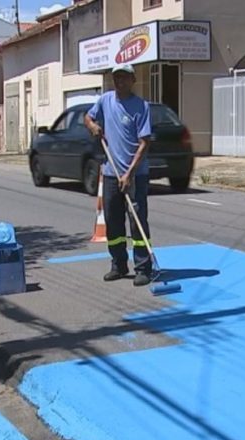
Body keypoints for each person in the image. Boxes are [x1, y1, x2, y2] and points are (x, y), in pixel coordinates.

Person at [84, 62, 153, 287]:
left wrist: (130, 173)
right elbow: (88, 117)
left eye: (124, 78)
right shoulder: (105, 101)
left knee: (137, 220)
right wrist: (93, 127)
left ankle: (143, 267)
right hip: (111, 172)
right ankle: (119, 265)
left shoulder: (141, 107)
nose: (119, 81)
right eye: (116, 78)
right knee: (113, 222)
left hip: (135, 175)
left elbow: (144, 143)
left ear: (132, 80)